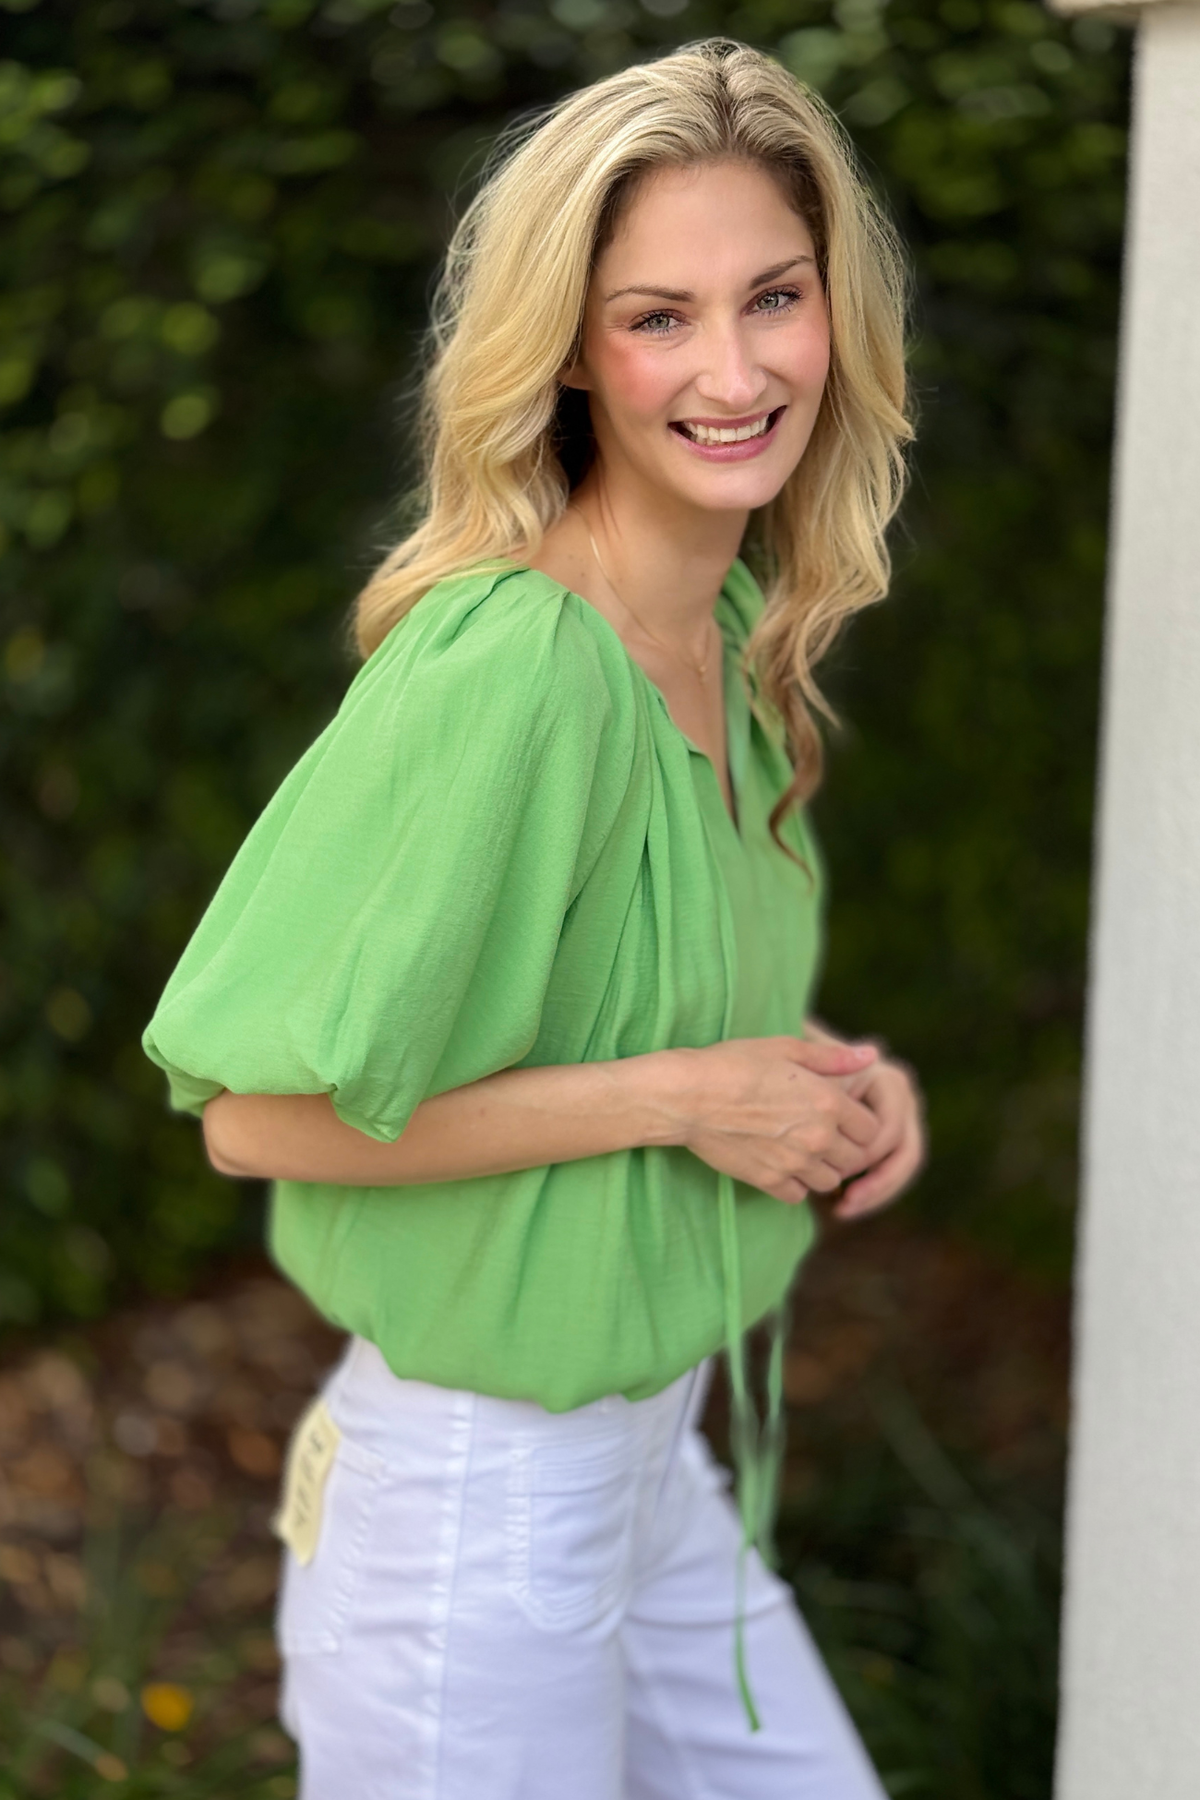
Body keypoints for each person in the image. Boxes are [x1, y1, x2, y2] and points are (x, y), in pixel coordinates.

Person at [143, 37, 924, 1800]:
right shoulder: (509, 669)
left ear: (834, 311)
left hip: (655, 1474)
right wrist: (681, 1101)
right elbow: (259, 1120)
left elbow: (611, 1015)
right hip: (475, 1517)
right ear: (571, 348)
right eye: (659, 316)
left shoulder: (737, 643)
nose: (733, 370)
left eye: (773, 298)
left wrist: (807, 1083)